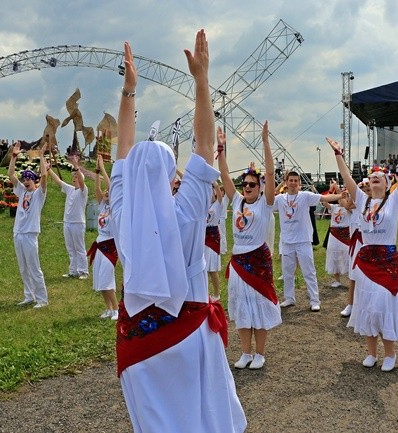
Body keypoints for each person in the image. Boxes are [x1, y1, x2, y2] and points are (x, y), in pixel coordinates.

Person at [111, 32, 246, 432]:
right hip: (187, 338)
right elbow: (205, 146)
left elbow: (122, 150)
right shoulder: (186, 212)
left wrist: (128, 91)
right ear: (172, 175)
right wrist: (201, 81)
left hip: (138, 344)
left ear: (131, 178)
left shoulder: (120, 213)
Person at [327, 126, 398, 372]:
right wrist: (338, 155)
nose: (374, 177)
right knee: (367, 305)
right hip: (367, 259)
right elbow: (347, 178)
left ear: (388, 182)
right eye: (372, 176)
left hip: (387, 260)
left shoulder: (394, 200)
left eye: (380, 176)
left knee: (383, 305)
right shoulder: (362, 200)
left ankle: (390, 353)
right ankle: (371, 352)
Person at [219, 121, 281, 371]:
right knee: (242, 307)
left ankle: (260, 353)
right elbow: (223, 175)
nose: (247, 187)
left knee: (259, 306)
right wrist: (221, 150)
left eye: (252, 184)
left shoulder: (265, 204)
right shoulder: (236, 201)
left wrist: (265, 142)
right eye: (245, 184)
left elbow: (269, 172)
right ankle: (245, 352)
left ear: (260, 187)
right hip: (238, 263)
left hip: (258, 260)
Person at [273, 171, 342, 311]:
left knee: (309, 272)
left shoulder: (305, 196)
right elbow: (268, 198)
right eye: (290, 180)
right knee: (287, 272)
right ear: (286, 182)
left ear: (299, 183)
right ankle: (289, 298)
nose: (293, 183)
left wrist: (341, 195)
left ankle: (314, 300)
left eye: (295, 181)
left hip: (303, 241)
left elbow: (324, 198)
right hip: (287, 242)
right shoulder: (280, 199)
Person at [8, 142, 49, 309]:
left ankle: (42, 299)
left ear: (34, 181)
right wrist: (14, 156)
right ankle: (29, 295)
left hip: (30, 234)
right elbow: (11, 175)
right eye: (24, 179)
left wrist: (41, 156)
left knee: (33, 267)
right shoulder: (22, 192)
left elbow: (45, 179)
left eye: (29, 179)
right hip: (18, 233)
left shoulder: (39, 194)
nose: (25, 181)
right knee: (23, 267)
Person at [47, 154, 89, 279]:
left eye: (76, 177)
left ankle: (83, 271)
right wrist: (49, 169)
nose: (74, 179)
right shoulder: (70, 189)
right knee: (71, 248)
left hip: (78, 222)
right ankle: (73, 271)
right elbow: (58, 182)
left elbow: (81, 180)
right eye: (73, 177)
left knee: (79, 248)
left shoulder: (83, 191)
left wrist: (76, 166)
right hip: (67, 222)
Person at [87, 154, 118, 320]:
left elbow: (111, 188)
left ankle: (117, 309)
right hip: (99, 243)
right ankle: (108, 308)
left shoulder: (117, 208)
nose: (106, 193)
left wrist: (104, 169)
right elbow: (97, 189)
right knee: (99, 279)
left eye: (109, 192)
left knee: (106, 278)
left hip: (110, 245)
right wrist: (97, 172)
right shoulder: (103, 205)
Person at [340, 179, 370, 317]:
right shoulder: (355, 205)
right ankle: (351, 304)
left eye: (368, 190)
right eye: (363, 191)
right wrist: (353, 194)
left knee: (369, 275)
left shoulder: (376, 206)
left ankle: (366, 305)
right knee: (354, 274)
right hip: (356, 244)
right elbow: (347, 205)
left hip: (369, 245)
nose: (365, 193)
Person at [322, 180, 351, 288]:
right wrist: (331, 189)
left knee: (346, 256)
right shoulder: (334, 208)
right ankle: (337, 280)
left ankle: (350, 278)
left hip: (345, 234)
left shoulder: (349, 209)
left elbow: (344, 202)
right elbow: (324, 202)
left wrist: (339, 191)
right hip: (333, 234)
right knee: (333, 255)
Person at [205, 182, 223, 301]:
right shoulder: (204, 205)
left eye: (211, 192)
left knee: (212, 269)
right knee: (204, 268)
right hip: (203, 237)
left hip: (213, 236)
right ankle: (205, 293)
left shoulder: (218, 204)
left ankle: (217, 293)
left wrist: (215, 185)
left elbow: (220, 195)